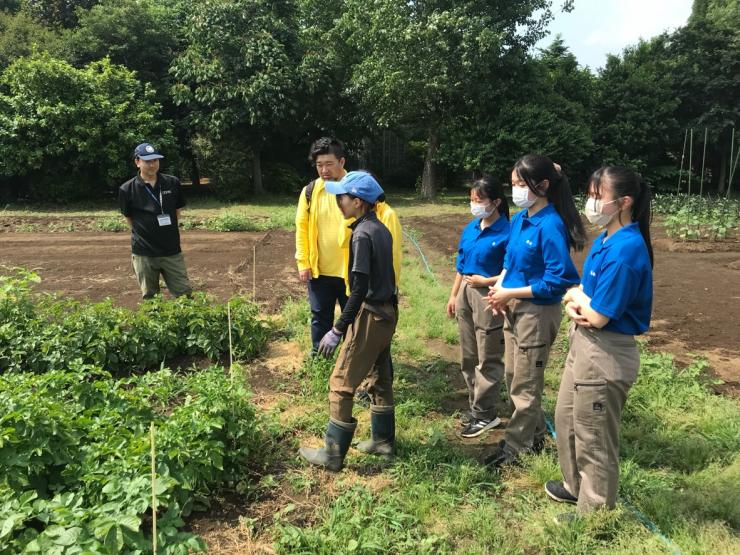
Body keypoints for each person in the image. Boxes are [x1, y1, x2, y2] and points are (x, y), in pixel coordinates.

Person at [545, 166, 653, 522]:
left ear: (623, 202)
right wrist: (579, 299)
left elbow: (598, 315)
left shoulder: (626, 251)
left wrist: (577, 298)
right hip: (585, 346)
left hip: (605, 351)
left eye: (597, 195)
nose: (590, 202)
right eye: (589, 194)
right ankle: (574, 486)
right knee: (566, 418)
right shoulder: (606, 238)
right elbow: (583, 300)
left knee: (593, 436)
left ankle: (595, 512)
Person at [485, 154, 585, 468]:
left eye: (519, 184)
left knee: (524, 386)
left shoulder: (550, 224)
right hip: (514, 308)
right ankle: (537, 435)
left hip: (536, 314)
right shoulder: (521, 219)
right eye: (512, 184)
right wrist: (500, 286)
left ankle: (515, 450)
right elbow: (510, 263)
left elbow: (559, 280)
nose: (515, 190)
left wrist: (509, 292)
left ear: (541, 186)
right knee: (516, 376)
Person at [299, 171, 398, 471]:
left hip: (370, 315)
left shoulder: (362, 234)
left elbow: (357, 291)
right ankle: (383, 441)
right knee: (380, 376)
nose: (338, 201)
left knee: (341, 383)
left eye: (342, 197)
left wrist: (338, 328)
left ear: (357, 201)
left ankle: (331, 455)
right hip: (388, 313)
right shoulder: (380, 228)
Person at [295, 138, 402, 354]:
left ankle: (353, 362)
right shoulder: (310, 192)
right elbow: (302, 228)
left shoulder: (357, 187)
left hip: (352, 272)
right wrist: (303, 262)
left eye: (329, 164)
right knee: (319, 317)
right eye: (319, 165)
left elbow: (380, 218)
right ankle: (320, 360)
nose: (323, 170)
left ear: (342, 161)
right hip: (320, 270)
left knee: (355, 319)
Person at [446, 176, 510, 438]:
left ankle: (486, 414)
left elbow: (512, 269)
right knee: (468, 354)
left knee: (488, 354)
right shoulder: (471, 228)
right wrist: (453, 295)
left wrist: (488, 280)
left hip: (489, 295)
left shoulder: (507, 232)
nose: (474, 205)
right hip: (465, 293)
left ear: (495, 202)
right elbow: (461, 267)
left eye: (479, 200)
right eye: (471, 200)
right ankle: (477, 406)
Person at [119, 143, 192, 299]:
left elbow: (177, 212)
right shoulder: (127, 189)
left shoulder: (172, 183)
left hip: (171, 251)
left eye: (155, 160)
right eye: (147, 161)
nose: (152, 164)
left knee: (184, 295)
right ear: (137, 162)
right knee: (151, 298)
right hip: (144, 254)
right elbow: (129, 218)